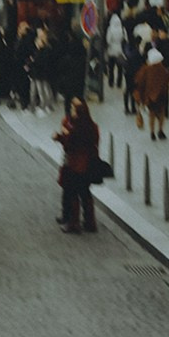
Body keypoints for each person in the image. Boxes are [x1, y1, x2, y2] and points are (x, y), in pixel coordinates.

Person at [54, 97, 99, 234]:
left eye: (74, 110)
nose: (71, 112)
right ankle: (90, 222)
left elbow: (70, 144)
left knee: (72, 192)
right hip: (88, 163)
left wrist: (60, 137)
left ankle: (73, 223)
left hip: (75, 163)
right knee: (85, 192)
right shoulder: (92, 126)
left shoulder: (76, 128)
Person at [133, 46, 169, 141]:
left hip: (150, 97)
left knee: (152, 114)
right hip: (161, 96)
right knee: (161, 113)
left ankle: (152, 132)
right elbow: (167, 82)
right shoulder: (164, 70)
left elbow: (139, 82)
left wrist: (140, 96)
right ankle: (160, 130)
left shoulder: (146, 69)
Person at [105, 11, 125, 89]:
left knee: (111, 67)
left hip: (112, 50)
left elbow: (108, 40)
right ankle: (119, 82)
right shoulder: (122, 28)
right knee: (120, 67)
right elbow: (124, 38)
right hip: (119, 50)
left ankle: (111, 82)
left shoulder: (110, 29)